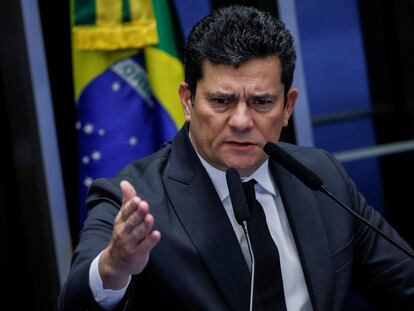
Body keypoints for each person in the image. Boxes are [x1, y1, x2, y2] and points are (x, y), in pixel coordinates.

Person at [59, 5, 414, 311]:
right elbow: (76, 300)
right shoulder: (135, 199)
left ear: (288, 106)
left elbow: (403, 280)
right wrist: (114, 267)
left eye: (261, 102)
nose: (242, 122)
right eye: (221, 101)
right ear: (187, 101)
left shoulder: (321, 175)